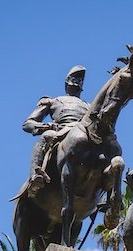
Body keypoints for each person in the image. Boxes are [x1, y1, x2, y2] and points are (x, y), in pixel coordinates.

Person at [20, 65, 90, 196]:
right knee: (47, 136)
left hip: (84, 134)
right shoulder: (52, 101)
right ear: (67, 81)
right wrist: (46, 127)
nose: (77, 81)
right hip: (59, 132)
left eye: (80, 79)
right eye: (74, 78)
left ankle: (106, 193)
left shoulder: (89, 106)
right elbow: (27, 124)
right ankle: (35, 176)